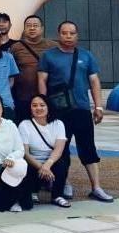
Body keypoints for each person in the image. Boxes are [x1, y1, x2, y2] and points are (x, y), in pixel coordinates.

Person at [37, 21, 114, 202]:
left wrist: (98, 106)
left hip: (81, 109)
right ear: (58, 34)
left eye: (72, 33)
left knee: (88, 148)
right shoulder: (48, 56)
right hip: (58, 111)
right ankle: (64, 183)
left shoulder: (86, 56)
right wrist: (43, 105)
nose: (68, 36)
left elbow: (94, 81)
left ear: (77, 35)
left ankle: (96, 187)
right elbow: (42, 80)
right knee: (60, 149)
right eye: (64, 33)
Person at [10, 15, 56, 117]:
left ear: (42, 29)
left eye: (35, 25)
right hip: (23, 98)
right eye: (28, 26)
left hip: (49, 98)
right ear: (24, 29)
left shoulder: (53, 46)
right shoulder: (15, 47)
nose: (32, 28)